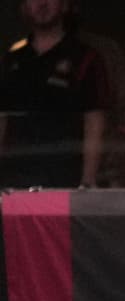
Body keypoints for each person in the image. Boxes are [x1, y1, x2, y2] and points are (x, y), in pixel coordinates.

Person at [0, 0, 109, 188]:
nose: (42, 3)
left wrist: (88, 179)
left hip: (65, 177)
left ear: (65, 5)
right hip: (14, 178)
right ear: (24, 7)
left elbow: (94, 120)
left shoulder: (85, 58)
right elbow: (1, 119)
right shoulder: (11, 60)